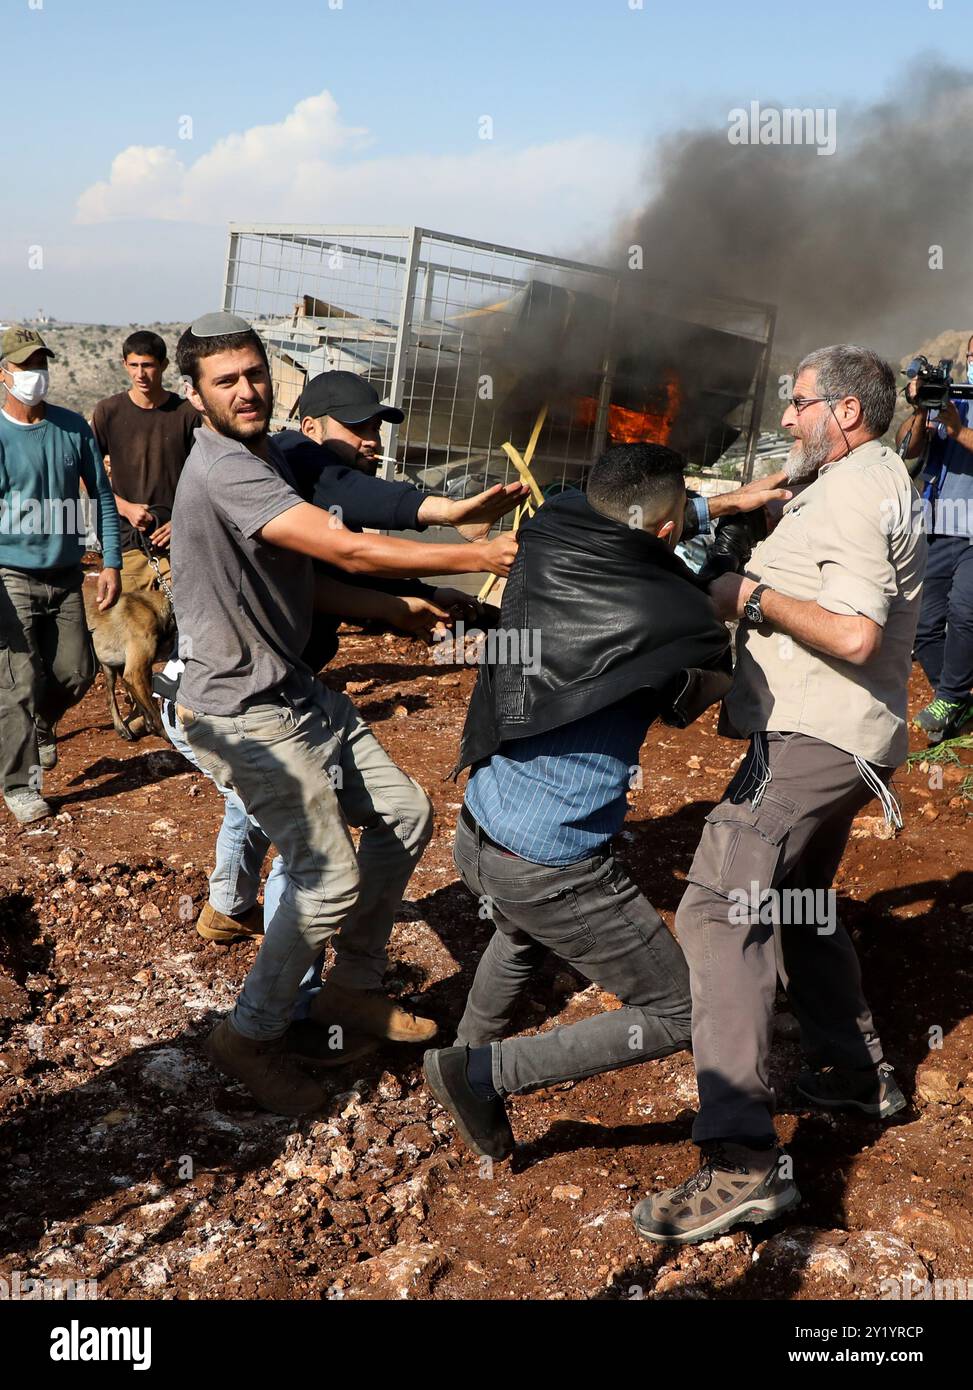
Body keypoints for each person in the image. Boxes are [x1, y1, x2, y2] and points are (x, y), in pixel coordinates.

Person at [169, 312, 519, 1116]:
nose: (246, 390)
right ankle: (248, 1036)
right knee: (324, 880)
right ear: (197, 395)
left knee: (403, 813)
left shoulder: (261, 458)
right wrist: (475, 550)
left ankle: (350, 990)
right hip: (241, 711)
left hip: (293, 690)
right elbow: (347, 547)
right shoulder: (228, 469)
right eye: (226, 381)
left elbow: (305, 581)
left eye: (254, 373)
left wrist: (395, 611)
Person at [421, 442, 790, 1161]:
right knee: (684, 1011)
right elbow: (704, 705)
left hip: (481, 827)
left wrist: (720, 507)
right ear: (661, 530)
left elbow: (628, 529)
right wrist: (724, 574)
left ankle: (463, 1052)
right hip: (551, 863)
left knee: (524, 930)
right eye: (682, 511)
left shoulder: (549, 526)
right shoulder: (681, 621)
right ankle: (480, 1073)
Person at [635, 345, 926, 1246]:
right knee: (798, 902)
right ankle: (851, 1072)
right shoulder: (862, 479)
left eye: (798, 404)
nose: (787, 417)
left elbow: (850, 631)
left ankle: (741, 1163)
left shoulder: (847, 491)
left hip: (814, 738)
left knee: (719, 917)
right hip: (841, 740)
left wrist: (743, 596)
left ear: (844, 411)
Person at [0, 324, 121, 824]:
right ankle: (19, 785)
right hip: (11, 575)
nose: (36, 375)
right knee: (18, 684)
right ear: (3, 374)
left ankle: (39, 726)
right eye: (26, 367)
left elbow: (103, 497)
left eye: (41, 365)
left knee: (77, 671)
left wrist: (111, 561)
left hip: (69, 574)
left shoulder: (72, 429)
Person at [896, 334, 973, 741]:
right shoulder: (951, 399)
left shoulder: (957, 412)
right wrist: (921, 408)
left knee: (964, 612)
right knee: (924, 625)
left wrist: (955, 427)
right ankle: (958, 699)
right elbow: (906, 448)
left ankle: (950, 697)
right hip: (939, 523)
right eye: (972, 355)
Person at [91, 329, 199, 596]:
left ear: (163, 365)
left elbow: (205, 480)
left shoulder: (186, 414)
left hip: (179, 547)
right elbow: (88, 476)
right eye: (134, 365)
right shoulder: (109, 412)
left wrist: (182, 522)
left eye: (148, 365)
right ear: (124, 365)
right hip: (126, 547)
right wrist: (125, 508)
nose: (140, 374)